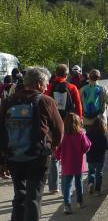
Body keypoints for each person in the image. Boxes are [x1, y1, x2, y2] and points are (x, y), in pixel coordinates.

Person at [0, 66, 64, 221]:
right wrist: (53, 147)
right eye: (46, 83)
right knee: (33, 198)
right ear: (39, 83)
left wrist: (2, 160)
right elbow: (59, 129)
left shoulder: (8, 101)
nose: (47, 86)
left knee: (19, 196)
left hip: (14, 157)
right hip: (38, 157)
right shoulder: (46, 101)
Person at [44, 64, 83, 194]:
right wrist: (79, 122)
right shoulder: (72, 88)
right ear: (67, 75)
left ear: (55, 74)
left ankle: (54, 187)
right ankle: (69, 186)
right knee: (69, 153)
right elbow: (78, 106)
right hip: (68, 124)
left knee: (54, 155)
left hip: (53, 125)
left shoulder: (49, 88)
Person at [54, 112, 91, 214]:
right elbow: (87, 146)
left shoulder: (63, 135)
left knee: (67, 185)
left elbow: (57, 149)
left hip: (66, 164)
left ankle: (67, 205)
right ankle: (80, 202)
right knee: (79, 183)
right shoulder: (80, 134)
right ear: (77, 122)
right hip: (78, 163)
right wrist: (82, 151)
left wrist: (58, 157)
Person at [85, 118, 108, 196]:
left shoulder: (88, 134)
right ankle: (97, 191)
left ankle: (91, 183)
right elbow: (106, 146)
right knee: (99, 173)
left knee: (91, 171)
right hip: (100, 158)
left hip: (90, 157)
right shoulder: (102, 134)